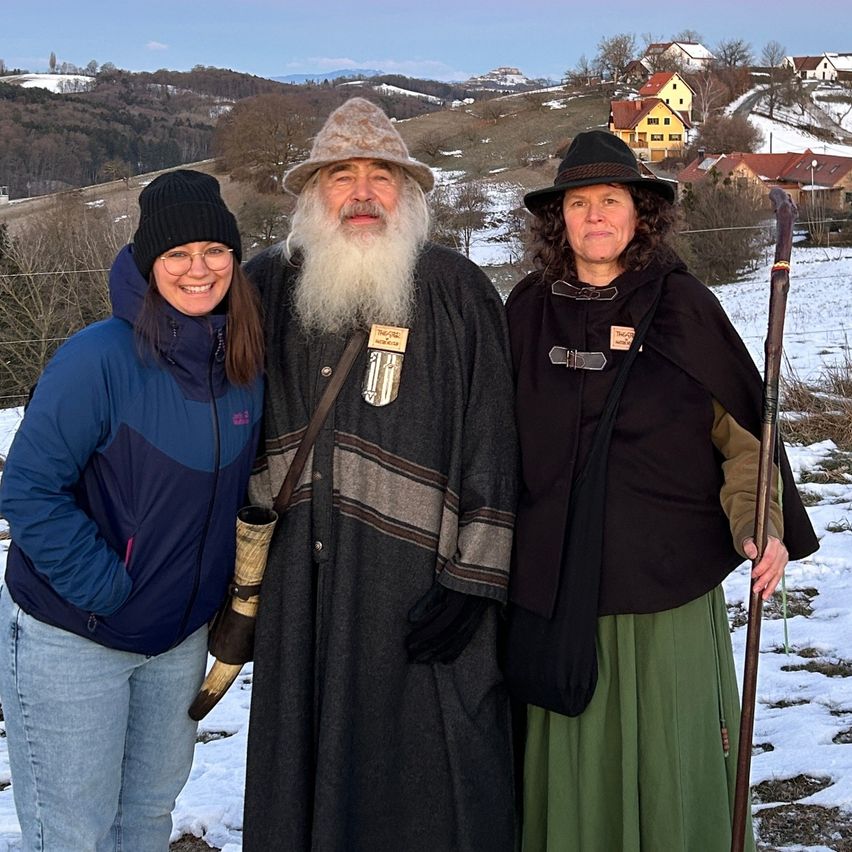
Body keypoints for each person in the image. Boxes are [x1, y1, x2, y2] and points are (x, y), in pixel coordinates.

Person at [505, 131, 819, 852]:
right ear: (559, 219)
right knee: (574, 761)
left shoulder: (682, 306)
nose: (594, 217)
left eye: (610, 200)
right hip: (557, 589)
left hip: (667, 588)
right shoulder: (525, 311)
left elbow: (747, 442)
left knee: (670, 760)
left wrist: (759, 522)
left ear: (641, 213)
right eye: (578, 203)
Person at [242, 97, 518, 852]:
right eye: (340, 174)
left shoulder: (458, 292)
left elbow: (495, 438)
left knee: (437, 778)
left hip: (422, 589)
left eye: (381, 176)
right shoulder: (263, 288)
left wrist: (473, 581)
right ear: (311, 193)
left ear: (410, 193)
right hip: (301, 588)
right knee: (303, 771)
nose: (362, 193)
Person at [0, 169, 264, 851]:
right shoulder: (99, 358)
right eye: (177, 254)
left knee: (145, 819)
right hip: (75, 637)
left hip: (175, 643)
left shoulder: (242, 363)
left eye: (214, 251)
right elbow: (28, 487)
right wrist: (106, 589)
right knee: (72, 835)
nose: (198, 269)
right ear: (149, 264)